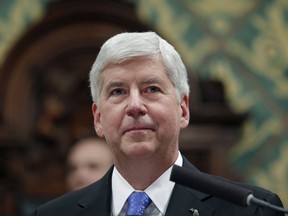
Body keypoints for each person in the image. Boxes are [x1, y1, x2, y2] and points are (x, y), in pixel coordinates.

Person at [32, 32, 285, 216]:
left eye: (151, 88)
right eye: (118, 91)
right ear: (98, 118)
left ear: (183, 109)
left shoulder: (251, 209)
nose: (134, 106)